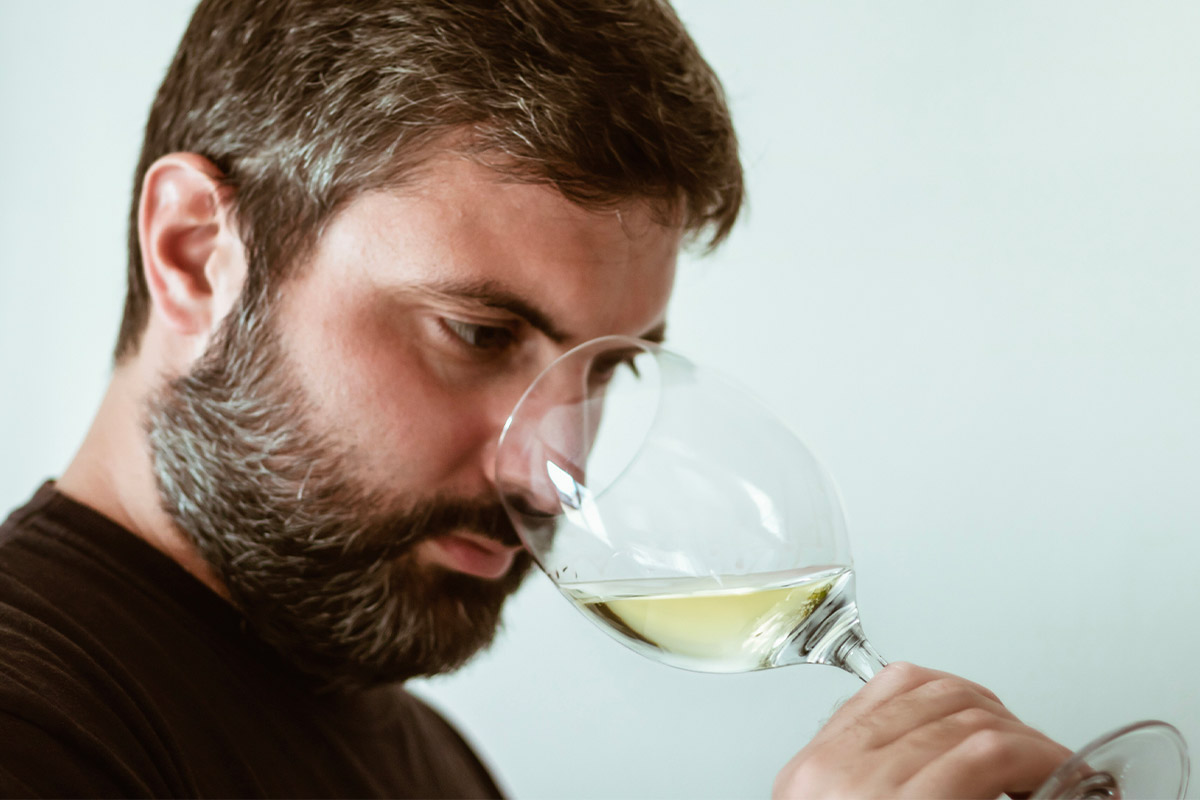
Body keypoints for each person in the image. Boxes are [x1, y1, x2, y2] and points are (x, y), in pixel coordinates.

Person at [0, 0, 1071, 796]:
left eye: (605, 370)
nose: (552, 469)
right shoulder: (34, 723)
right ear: (195, 254)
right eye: (479, 333)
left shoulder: (434, 762)